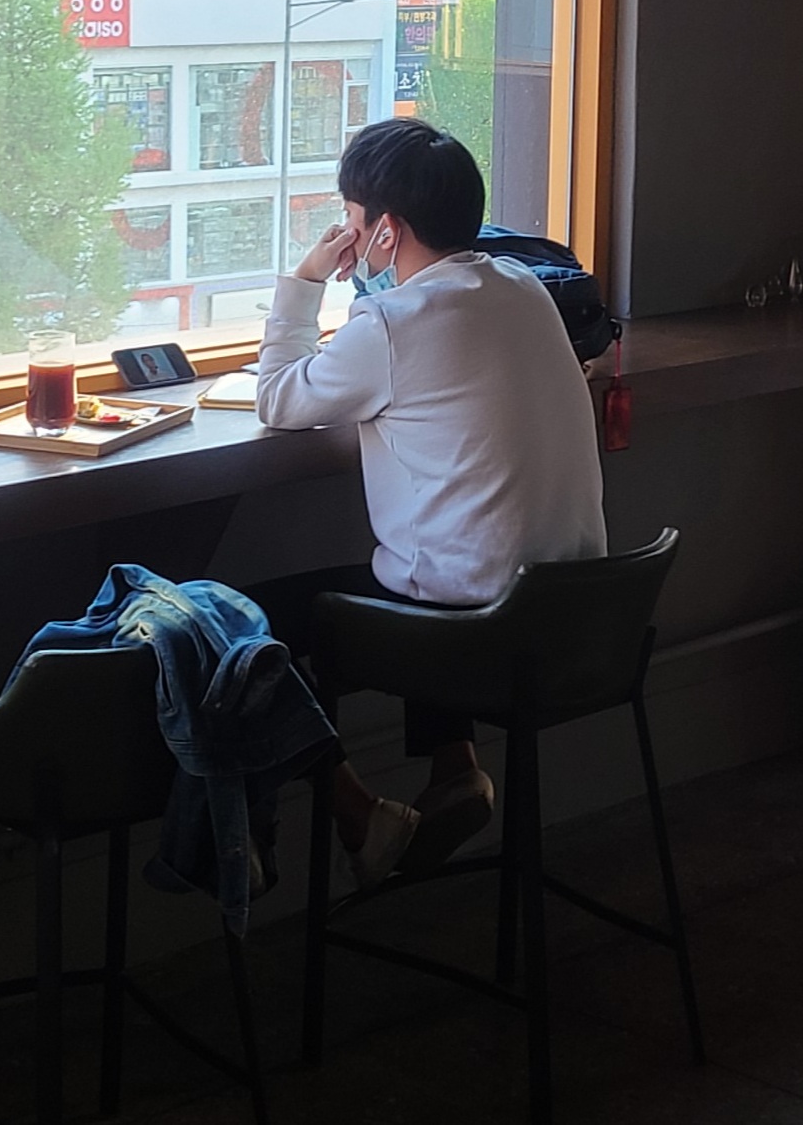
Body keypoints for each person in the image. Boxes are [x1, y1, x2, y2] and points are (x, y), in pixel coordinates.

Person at [251, 118, 605, 886]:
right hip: (578, 618)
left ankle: (358, 812)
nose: (347, 235)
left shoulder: (392, 322)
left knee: (239, 626)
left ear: (386, 231)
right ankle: (455, 770)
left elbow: (277, 398)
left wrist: (305, 280)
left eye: (351, 220)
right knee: (439, 545)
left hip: (475, 634)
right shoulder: (524, 289)